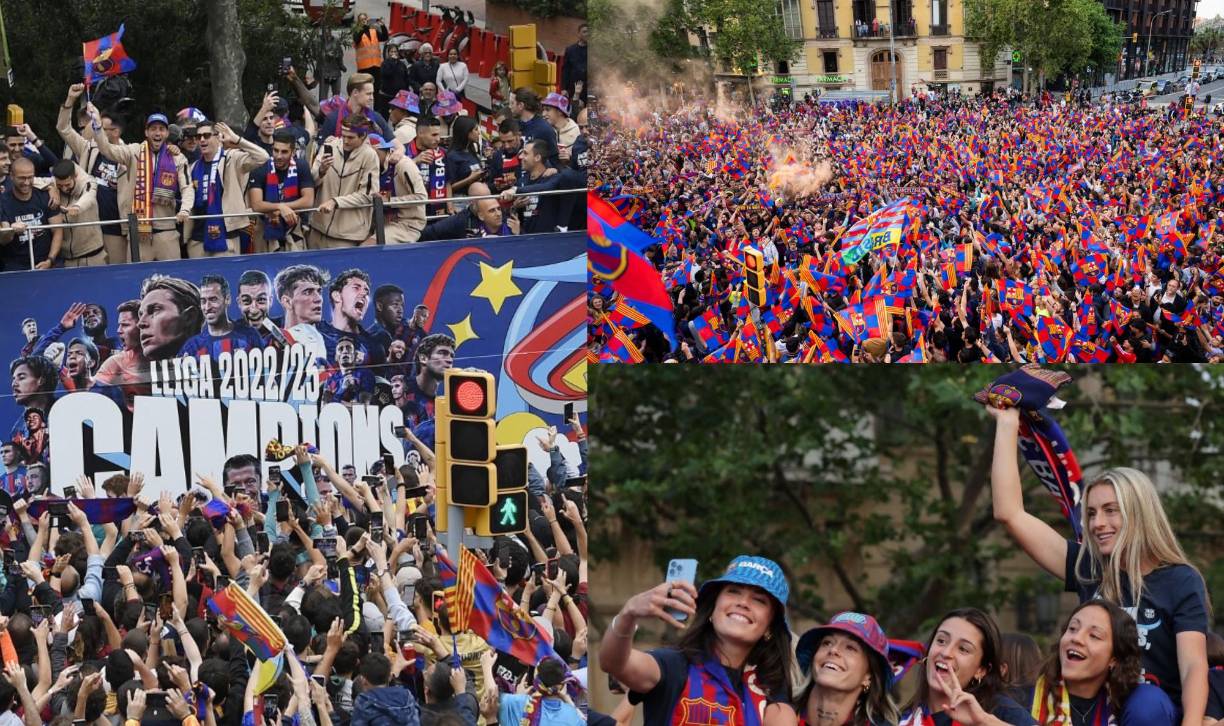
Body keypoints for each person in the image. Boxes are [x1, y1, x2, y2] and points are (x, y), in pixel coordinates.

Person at [988, 404, 1211, 724]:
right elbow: (1010, 514)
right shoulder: (1088, 567)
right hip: (1084, 709)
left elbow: (1193, 667)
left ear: (1139, 512)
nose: (1097, 523)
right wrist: (1007, 424)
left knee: (1146, 702)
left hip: (1152, 713)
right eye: (1091, 513)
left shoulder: (1180, 579)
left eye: (1110, 510)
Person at [599, 555, 797, 724]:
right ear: (712, 608)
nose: (743, 603)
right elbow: (614, 663)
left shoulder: (771, 689)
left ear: (770, 627)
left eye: (759, 600)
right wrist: (628, 613)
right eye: (733, 591)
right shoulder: (675, 664)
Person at [1030, 599, 1160, 725]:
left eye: (1094, 636)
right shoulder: (1023, 702)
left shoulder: (1129, 710)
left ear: (1114, 659)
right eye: (1073, 628)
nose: (1076, 638)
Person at [899, 608, 1036, 725]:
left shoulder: (1001, 711)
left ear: (981, 670)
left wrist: (984, 722)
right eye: (941, 641)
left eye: (963, 649)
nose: (946, 653)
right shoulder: (903, 719)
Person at [94, 110, 193, 261]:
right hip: (138, 232)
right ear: (146, 132)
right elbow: (107, 149)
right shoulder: (134, 151)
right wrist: (97, 125)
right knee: (138, 281)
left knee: (171, 280)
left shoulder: (177, 157)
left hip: (166, 231)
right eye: (153, 129)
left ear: (167, 133)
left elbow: (187, 187)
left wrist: (185, 209)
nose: (157, 133)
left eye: (161, 129)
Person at [57, 83, 126, 264]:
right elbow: (64, 128)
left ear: (116, 131)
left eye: (100, 126)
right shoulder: (88, 147)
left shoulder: (129, 154)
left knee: (115, 276)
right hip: (88, 225)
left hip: (115, 227)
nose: (95, 128)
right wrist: (70, 99)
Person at [791, 611, 900, 726]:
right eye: (827, 642)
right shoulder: (776, 710)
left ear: (868, 676)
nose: (833, 650)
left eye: (850, 647)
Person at [184, 119, 269, 257]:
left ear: (218, 137)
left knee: (226, 279)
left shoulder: (231, 158)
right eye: (198, 137)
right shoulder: (193, 167)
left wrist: (237, 139)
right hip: (197, 240)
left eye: (206, 135)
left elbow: (263, 157)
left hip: (227, 237)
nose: (202, 140)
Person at [309, 116, 379, 249]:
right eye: (343, 135)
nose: (345, 141)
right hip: (317, 229)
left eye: (351, 137)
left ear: (363, 136)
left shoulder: (370, 156)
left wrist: (336, 202)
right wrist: (321, 171)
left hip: (347, 236)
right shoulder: (329, 146)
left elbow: (367, 195)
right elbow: (311, 182)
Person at [248, 129, 316, 253]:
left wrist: (283, 208)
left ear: (293, 152)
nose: (279, 156)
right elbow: (256, 205)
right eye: (275, 150)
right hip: (265, 229)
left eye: (284, 152)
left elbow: (308, 200)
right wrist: (282, 208)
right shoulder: (260, 167)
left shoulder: (301, 166)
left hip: (293, 228)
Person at [0, 157, 64, 271]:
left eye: (30, 177)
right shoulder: (3, 201)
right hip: (16, 265)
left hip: (47, 262)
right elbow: (3, 240)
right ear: (11, 176)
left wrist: (50, 260)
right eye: (22, 178)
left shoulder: (46, 196)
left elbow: (58, 230)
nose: (26, 182)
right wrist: (11, 230)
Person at [178, 274, 264, 358]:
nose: (207, 307)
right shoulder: (192, 347)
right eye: (203, 301)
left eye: (213, 299)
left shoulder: (250, 336)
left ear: (227, 299)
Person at [369, 133, 427, 244]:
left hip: (406, 223)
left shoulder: (404, 165)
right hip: (380, 222)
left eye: (372, 153)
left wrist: (389, 201)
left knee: (367, 246)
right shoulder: (372, 167)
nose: (368, 157)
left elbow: (421, 197)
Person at [500, 140, 567, 234]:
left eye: (525, 153)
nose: (520, 157)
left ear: (537, 157)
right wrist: (515, 206)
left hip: (549, 240)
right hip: (525, 240)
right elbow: (511, 216)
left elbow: (547, 187)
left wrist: (516, 190)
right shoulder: (521, 181)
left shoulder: (553, 178)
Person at [48, 159, 105, 267]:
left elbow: (89, 197)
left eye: (68, 184)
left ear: (75, 176)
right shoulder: (53, 183)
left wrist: (77, 207)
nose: (64, 189)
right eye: (60, 186)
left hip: (92, 256)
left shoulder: (89, 182)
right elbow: (34, 180)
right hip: (67, 260)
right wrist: (50, 187)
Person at [136, 275, 204, 361]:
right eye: (140, 315)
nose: (140, 323)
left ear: (189, 317)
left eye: (155, 310)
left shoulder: (218, 369)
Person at [499, 657, 583, 726]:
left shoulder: (513, 702)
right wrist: (568, 701)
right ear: (562, 686)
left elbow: (488, 698)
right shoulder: (573, 717)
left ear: (536, 682)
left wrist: (486, 666)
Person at [420, 182, 516, 241]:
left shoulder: (503, 215)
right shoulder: (460, 220)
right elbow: (430, 233)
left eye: (489, 197)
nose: (497, 213)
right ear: (472, 202)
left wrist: (519, 234)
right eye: (483, 199)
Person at [409, 116, 449, 217]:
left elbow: (448, 181)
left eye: (439, 135)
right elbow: (395, 178)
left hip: (437, 211)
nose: (438, 139)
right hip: (412, 210)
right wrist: (414, 161)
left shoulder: (443, 153)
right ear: (420, 133)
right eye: (434, 135)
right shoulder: (404, 151)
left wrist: (450, 205)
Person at [444, 116, 484, 201]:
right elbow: (449, 187)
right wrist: (470, 179)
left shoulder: (471, 152)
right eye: (476, 130)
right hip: (461, 200)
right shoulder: (452, 156)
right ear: (467, 132)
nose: (479, 133)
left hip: (476, 198)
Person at [353, 13, 389, 100]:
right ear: (358, 23)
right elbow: (357, 40)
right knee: (363, 91)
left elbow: (384, 37)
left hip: (376, 66)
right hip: (364, 67)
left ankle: (376, 110)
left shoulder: (374, 31)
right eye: (361, 20)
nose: (364, 21)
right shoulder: (357, 32)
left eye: (365, 19)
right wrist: (363, 29)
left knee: (376, 90)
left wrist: (383, 26)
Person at [380, 44, 413, 119]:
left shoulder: (402, 65)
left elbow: (406, 78)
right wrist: (392, 62)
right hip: (387, 95)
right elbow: (387, 73)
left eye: (395, 51)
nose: (393, 53)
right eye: (391, 52)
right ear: (388, 53)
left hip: (399, 95)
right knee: (385, 116)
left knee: (399, 116)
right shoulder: (385, 64)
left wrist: (406, 91)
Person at [561, 24, 588, 104]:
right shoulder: (570, 50)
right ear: (578, 34)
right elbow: (565, 69)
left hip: (587, 88)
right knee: (574, 110)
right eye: (584, 32)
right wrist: (564, 88)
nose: (587, 34)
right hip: (573, 87)